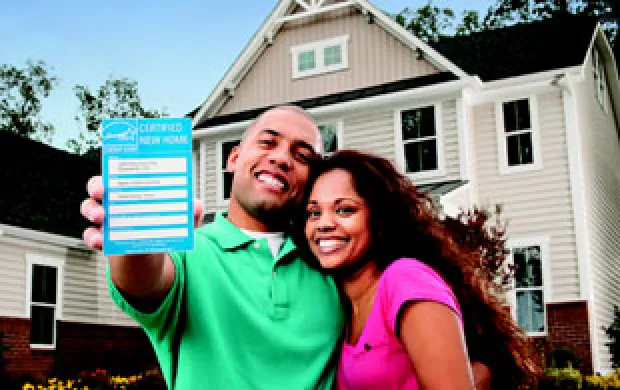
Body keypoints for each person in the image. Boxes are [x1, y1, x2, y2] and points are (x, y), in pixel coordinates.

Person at [80, 105, 344, 389]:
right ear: (233, 158)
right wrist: (136, 231)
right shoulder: (188, 252)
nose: (281, 158)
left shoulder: (332, 261)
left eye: (301, 155)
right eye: (268, 142)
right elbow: (143, 281)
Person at [300, 150, 541, 389]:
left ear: (378, 217)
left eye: (345, 210)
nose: (324, 224)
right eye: (314, 213)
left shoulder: (405, 280)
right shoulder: (341, 305)